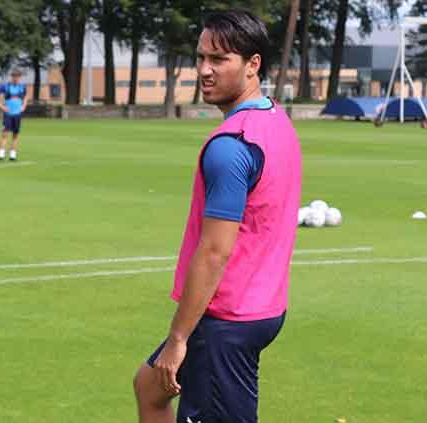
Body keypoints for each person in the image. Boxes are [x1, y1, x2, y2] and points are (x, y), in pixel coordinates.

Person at [133, 9, 302, 423]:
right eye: (201, 57)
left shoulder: (231, 146)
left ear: (252, 65)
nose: (204, 71)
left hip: (227, 318)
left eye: (219, 59)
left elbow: (214, 252)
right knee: (149, 387)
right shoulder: (275, 119)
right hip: (265, 305)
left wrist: (178, 338)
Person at [0, 69, 28, 161]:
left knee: (15, 135)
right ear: (11, 77)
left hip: (17, 114)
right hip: (8, 113)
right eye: (14, 77)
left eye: (17, 77)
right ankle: (1, 154)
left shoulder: (22, 87)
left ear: (20, 78)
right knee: (5, 134)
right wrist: (1, 106)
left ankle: (13, 155)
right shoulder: (5, 86)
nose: (16, 78)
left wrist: (24, 106)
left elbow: (25, 97)